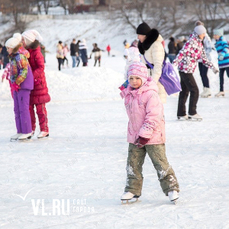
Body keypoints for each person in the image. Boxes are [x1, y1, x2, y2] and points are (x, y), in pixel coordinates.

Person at [120, 61, 180, 203]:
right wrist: (124, 86)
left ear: (144, 78)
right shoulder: (129, 93)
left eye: (137, 78)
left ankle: (171, 188)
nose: (134, 81)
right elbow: (123, 92)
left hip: (153, 136)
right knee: (132, 164)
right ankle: (132, 189)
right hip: (135, 136)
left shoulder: (151, 94)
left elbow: (154, 116)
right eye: (131, 78)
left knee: (160, 163)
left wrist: (145, 134)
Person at [173, 25, 218, 121]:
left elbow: (204, 59)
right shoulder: (191, 42)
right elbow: (182, 53)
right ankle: (192, 112)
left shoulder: (199, 44)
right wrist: (174, 64)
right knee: (195, 90)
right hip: (185, 69)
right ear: (198, 33)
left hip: (187, 69)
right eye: (203, 33)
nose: (204, 35)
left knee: (185, 91)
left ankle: (181, 113)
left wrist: (213, 67)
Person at [22, 29, 51, 138]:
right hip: (30, 85)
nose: (22, 42)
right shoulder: (26, 52)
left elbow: (41, 67)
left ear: (29, 41)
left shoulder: (37, 52)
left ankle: (44, 129)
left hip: (38, 84)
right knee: (29, 108)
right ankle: (31, 129)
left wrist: (31, 76)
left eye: (24, 40)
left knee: (40, 108)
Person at [5, 36, 34, 141]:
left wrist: (17, 82)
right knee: (17, 109)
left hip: (24, 86)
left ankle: (27, 131)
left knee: (23, 108)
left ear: (13, 47)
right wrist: (13, 83)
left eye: (8, 48)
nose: (7, 50)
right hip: (17, 86)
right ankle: (20, 131)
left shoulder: (20, 57)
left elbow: (24, 71)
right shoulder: (12, 57)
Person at [136, 22, 167, 104]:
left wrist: (153, 82)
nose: (137, 37)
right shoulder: (144, 47)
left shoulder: (156, 45)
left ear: (145, 35)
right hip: (147, 80)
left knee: (156, 107)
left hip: (156, 81)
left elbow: (158, 65)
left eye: (139, 35)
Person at [195, 21, 214, 98]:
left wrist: (204, 54)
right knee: (201, 74)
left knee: (204, 74)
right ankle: (205, 89)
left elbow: (210, 47)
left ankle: (208, 89)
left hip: (205, 59)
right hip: (200, 59)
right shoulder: (197, 37)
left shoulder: (205, 37)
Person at [213, 28, 229, 97]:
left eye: (216, 35)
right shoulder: (217, 42)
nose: (214, 36)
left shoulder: (223, 40)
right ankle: (221, 91)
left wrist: (222, 54)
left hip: (227, 61)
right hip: (221, 62)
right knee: (221, 77)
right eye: (214, 35)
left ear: (219, 35)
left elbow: (226, 48)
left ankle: (221, 90)